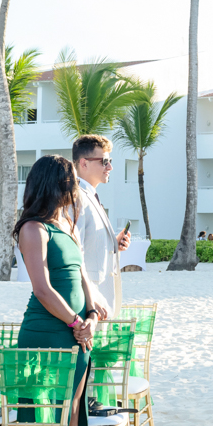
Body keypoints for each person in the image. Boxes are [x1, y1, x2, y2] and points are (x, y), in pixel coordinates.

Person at [16, 155, 105, 426]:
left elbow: (83, 279)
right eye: (71, 181)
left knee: (72, 412)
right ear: (56, 184)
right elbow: (42, 288)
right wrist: (76, 321)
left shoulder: (68, 225)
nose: (75, 189)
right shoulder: (33, 229)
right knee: (45, 415)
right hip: (46, 332)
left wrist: (91, 317)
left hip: (78, 332)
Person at [71, 134, 131, 319]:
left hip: (99, 301)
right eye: (104, 161)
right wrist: (91, 299)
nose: (110, 167)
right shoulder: (76, 198)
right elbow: (73, 254)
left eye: (110, 161)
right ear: (84, 163)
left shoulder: (90, 196)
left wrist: (113, 244)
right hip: (89, 303)